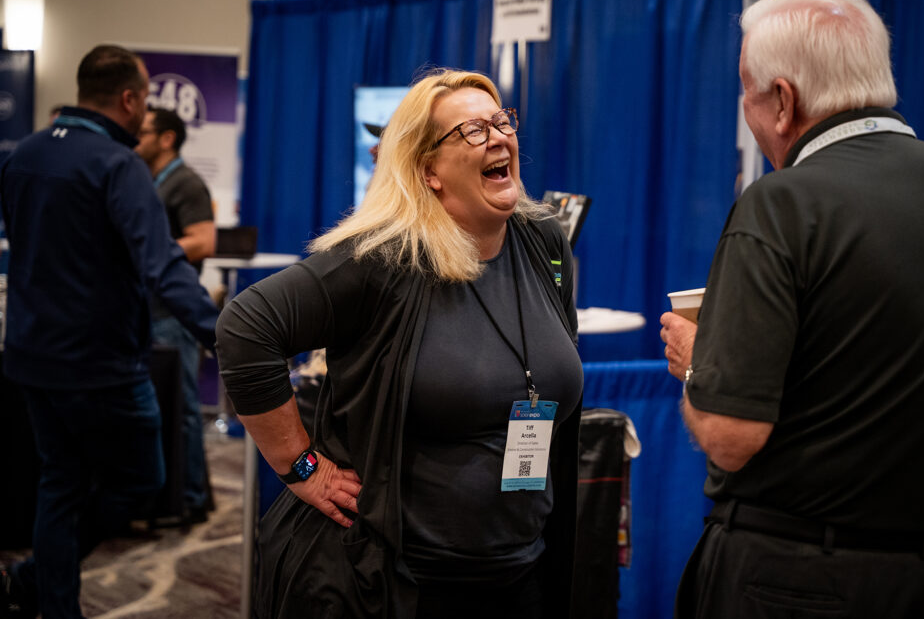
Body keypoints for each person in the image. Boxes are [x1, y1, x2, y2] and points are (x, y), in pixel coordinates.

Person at [660, 0, 924, 619]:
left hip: (798, 583)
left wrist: (700, 362)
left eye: (746, 93)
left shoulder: (780, 205)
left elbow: (730, 434)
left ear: (782, 101)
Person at [216, 69, 582, 618]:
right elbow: (245, 327)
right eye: (473, 131)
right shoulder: (384, 259)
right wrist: (300, 466)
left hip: (518, 571)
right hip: (396, 582)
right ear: (429, 169)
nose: (500, 137)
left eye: (501, 121)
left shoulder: (544, 241)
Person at [0, 45, 219, 619]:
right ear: (128, 99)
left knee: (60, 484)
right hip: (101, 364)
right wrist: (221, 333)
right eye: (146, 99)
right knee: (141, 478)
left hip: (29, 356)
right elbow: (163, 266)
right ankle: (38, 578)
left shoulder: (22, 154)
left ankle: (47, 594)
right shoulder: (118, 165)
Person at [135, 107, 217, 523]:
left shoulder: (185, 183)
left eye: (144, 131)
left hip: (174, 313)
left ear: (166, 138)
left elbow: (203, 241)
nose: (136, 137)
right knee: (164, 407)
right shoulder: (151, 182)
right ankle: (173, 497)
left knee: (183, 408)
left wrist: (149, 252)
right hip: (151, 310)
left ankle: (191, 499)